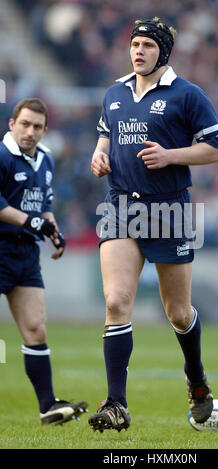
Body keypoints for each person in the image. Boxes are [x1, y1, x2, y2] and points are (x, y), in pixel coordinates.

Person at [88, 17, 218, 433]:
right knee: (116, 302)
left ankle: (197, 380)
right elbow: (103, 137)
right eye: (135, 44)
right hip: (120, 207)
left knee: (179, 312)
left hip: (169, 210)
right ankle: (116, 404)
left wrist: (171, 156)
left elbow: (216, 149)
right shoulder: (115, 92)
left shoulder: (188, 94)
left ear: (163, 51)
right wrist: (98, 155)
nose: (138, 51)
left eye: (147, 45)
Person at [0, 98, 88, 425]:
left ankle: (48, 406)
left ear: (45, 130)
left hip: (25, 254)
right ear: (12, 124)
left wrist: (53, 229)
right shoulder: (2, 155)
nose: (30, 131)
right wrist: (30, 221)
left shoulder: (47, 159)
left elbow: (44, 206)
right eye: (24, 124)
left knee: (36, 329)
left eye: (37, 126)